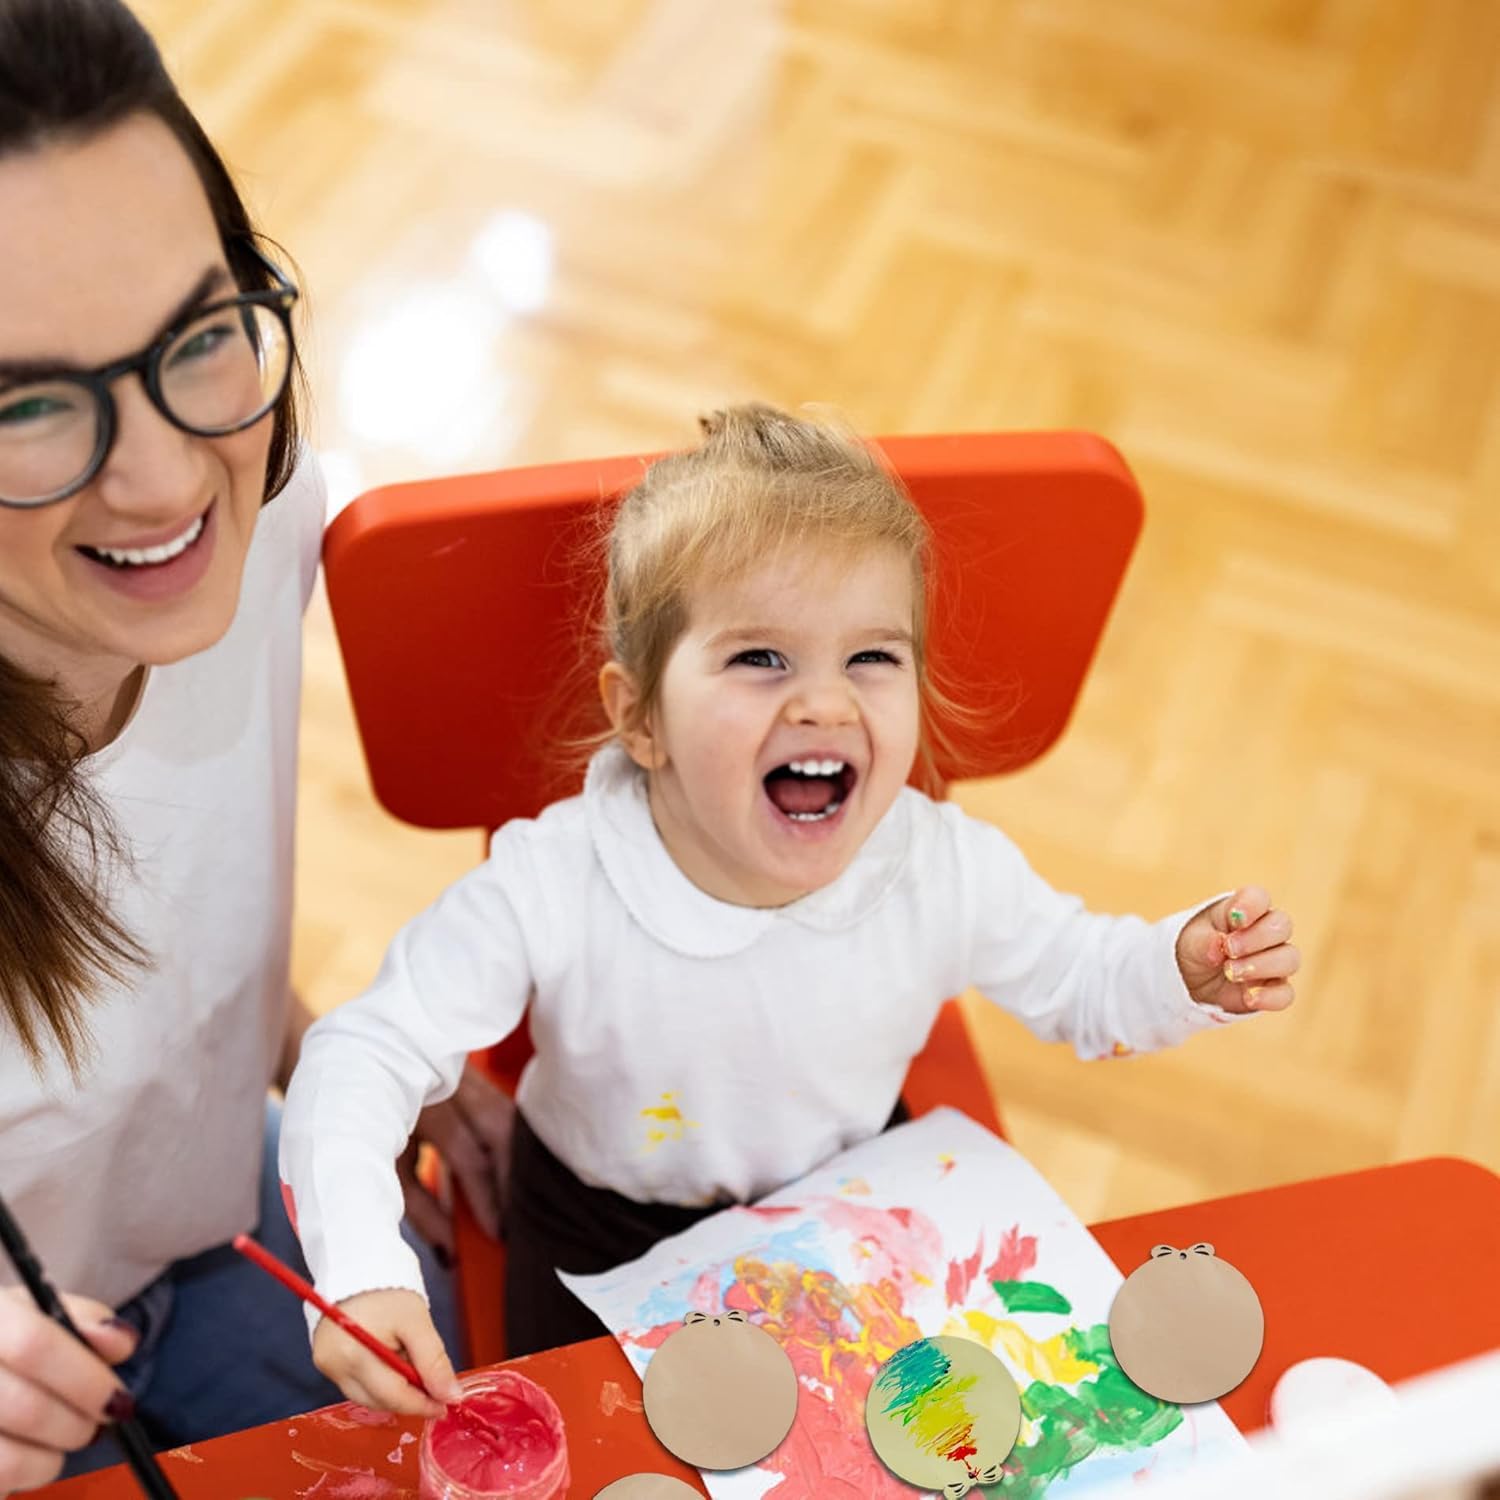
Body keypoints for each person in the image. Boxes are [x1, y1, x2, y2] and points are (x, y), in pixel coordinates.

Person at [281, 402, 1301, 1413]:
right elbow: (363, 1052)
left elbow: (1080, 979)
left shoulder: (934, 865)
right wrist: (363, 1264)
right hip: (597, 1229)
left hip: (848, 1200)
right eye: (761, 657)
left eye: (872, 657)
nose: (825, 702)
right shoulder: (555, 883)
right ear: (639, 716)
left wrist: (1177, 969)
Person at [0, 1, 506, 1485]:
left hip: (212, 1236)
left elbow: (159, 908)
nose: (164, 480)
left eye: (199, 335)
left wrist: (340, 1055)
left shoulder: (259, 509)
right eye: (27, 404)